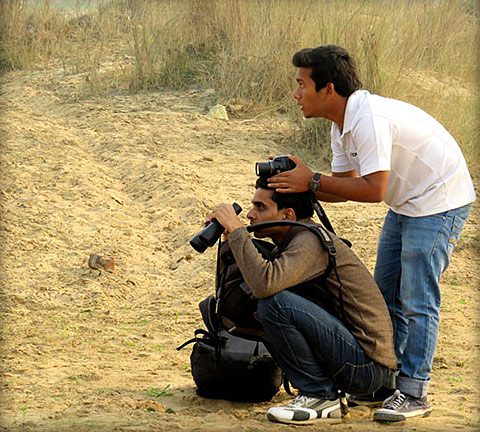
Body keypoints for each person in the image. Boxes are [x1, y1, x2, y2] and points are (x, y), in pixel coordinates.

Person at [266, 44, 476, 422]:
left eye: (301, 85)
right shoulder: (341, 125)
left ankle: (414, 391)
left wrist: (311, 179)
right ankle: (386, 382)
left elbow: (373, 191)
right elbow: (347, 188)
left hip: (439, 199)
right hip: (407, 201)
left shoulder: (367, 119)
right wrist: (300, 185)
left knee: (417, 297)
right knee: (384, 295)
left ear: (328, 89)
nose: (296, 94)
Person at [208, 177, 397, 425]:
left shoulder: (309, 241)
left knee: (274, 304)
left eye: (260, 207)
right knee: (268, 302)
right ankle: (321, 392)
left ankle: (319, 395)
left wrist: (237, 231)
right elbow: (253, 285)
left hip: (367, 370)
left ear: (288, 214)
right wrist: (231, 239)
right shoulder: (295, 238)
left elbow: (265, 284)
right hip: (358, 363)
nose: (251, 214)